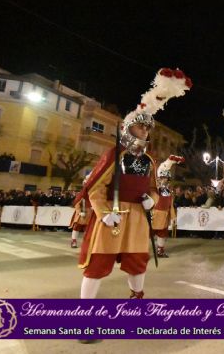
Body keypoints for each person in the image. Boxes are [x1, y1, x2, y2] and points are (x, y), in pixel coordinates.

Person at [77, 67, 191, 303]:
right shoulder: (114, 154)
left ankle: (136, 299)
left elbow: (154, 188)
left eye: (148, 128)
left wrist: (153, 199)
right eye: (142, 126)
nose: (146, 131)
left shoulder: (149, 160)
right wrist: (104, 213)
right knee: (98, 264)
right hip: (113, 214)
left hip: (139, 216)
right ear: (129, 128)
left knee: (137, 262)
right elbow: (96, 188)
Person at [153, 155, 184, 258]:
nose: (165, 180)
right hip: (154, 215)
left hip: (164, 215)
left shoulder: (168, 191)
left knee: (162, 235)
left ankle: (160, 251)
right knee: (145, 234)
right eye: (163, 178)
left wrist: (173, 217)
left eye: (166, 178)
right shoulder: (154, 188)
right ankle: (138, 252)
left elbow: (170, 204)